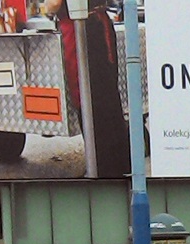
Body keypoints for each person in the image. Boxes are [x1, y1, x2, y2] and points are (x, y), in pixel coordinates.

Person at [44, 0, 131, 178]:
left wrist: (48, 9)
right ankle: (118, 163)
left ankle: (101, 167)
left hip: (81, 30)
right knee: (108, 96)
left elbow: (53, 4)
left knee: (88, 96)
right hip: (100, 24)